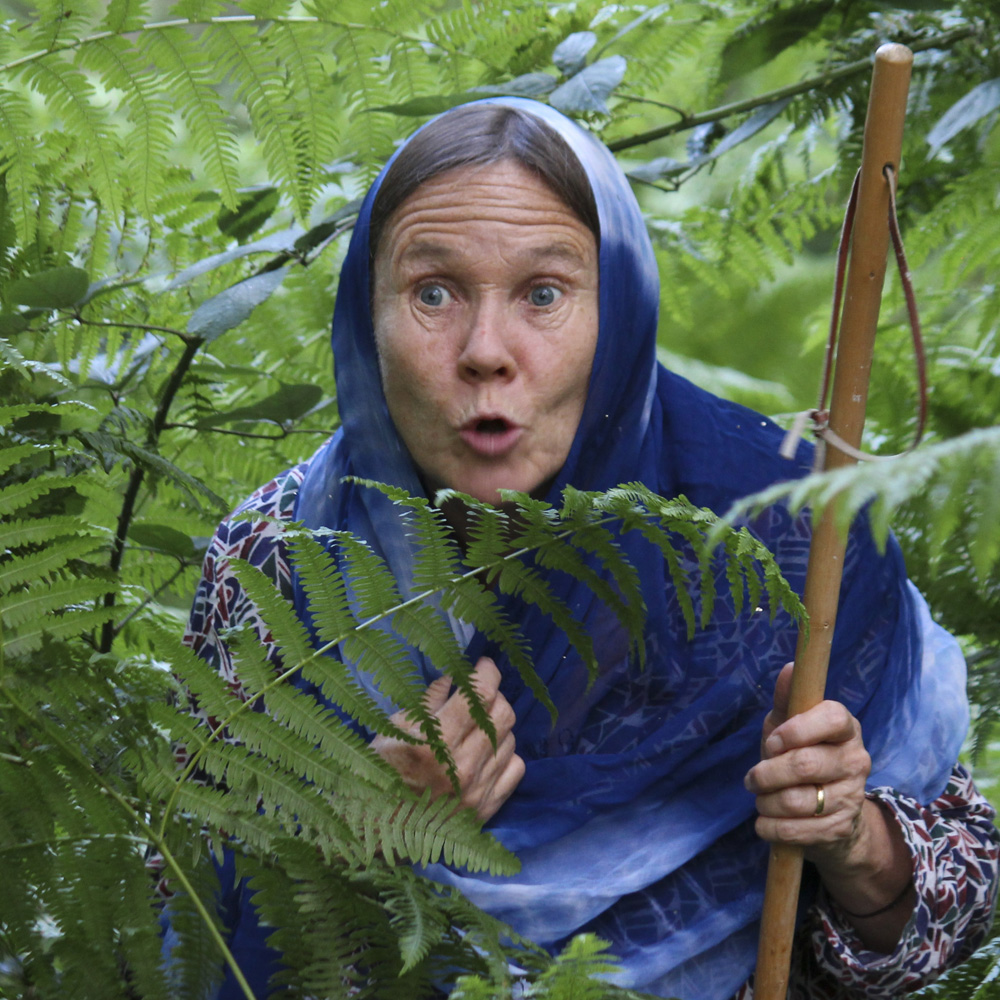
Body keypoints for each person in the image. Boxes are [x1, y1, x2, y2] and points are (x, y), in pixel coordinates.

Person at [182, 100, 999, 998]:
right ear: (362, 315)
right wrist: (354, 836)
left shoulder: (788, 541)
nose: (486, 351)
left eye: (544, 294)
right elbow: (174, 926)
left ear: (623, 313)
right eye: (433, 293)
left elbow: (953, 914)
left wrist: (853, 839)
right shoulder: (276, 557)